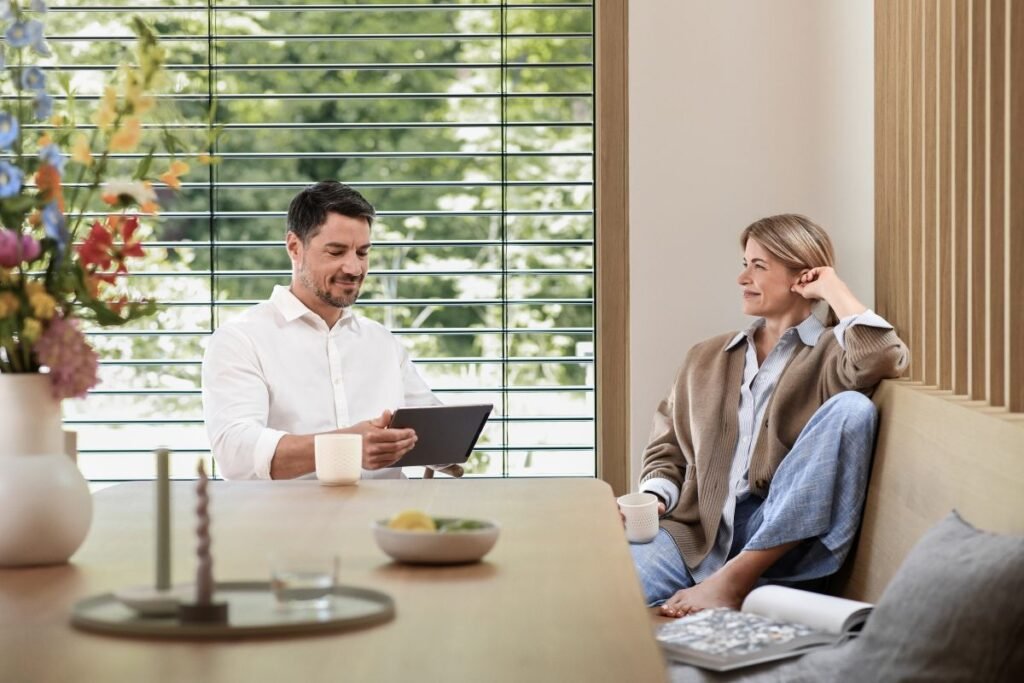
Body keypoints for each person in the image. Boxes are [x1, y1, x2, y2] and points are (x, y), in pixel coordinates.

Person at [631, 214, 909, 618]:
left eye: (758, 266)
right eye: (744, 264)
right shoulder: (704, 357)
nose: (743, 278)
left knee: (852, 409)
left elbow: (883, 356)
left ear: (803, 275)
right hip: (693, 534)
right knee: (601, 590)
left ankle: (738, 579)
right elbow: (667, 446)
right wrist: (656, 498)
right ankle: (714, 585)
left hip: (776, 534)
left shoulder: (834, 353)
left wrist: (833, 289)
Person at [202, 180, 442, 480]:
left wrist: (446, 451)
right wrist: (347, 446)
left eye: (363, 253)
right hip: (291, 526)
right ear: (294, 248)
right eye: (337, 251)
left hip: (385, 521)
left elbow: (433, 428)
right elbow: (236, 454)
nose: (354, 268)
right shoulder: (241, 340)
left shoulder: (381, 341)